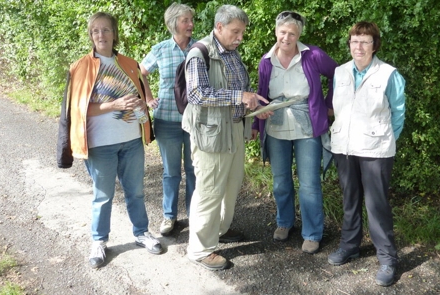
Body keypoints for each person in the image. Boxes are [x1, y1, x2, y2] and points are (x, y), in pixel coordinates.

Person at [57, 12, 162, 269]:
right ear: (91, 36)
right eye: (96, 31)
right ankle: (99, 241)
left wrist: (139, 105)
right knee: (103, 196)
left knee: (135, 192)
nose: (101, 35)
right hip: (100, 144)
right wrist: (113, 104)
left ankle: (141, 233)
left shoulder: (129, 63)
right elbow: (78, 110)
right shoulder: (81, 67)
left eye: (106, 30)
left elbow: (140, 98)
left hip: (130, 141)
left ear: (115, 34)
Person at [181, 4, 268, 271]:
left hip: (234, 130)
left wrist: (254, 108)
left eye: (242, 32)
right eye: (235, 32)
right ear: (219, 27)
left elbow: (240, 90)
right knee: (209, 191)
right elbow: (197, 94)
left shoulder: (232, 52)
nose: (240, 37)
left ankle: (217, 231)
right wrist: (239, 97)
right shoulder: (199, 53)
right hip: (210, 134)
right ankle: (200, 249)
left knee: (230, 186)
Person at [327, 21, 406, 287]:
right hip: (344, 147)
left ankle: (387, 258)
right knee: (350, 200)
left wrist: (382, 139)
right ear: (349, 43)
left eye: (365, 41)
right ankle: (349, 246)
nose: (358, 46)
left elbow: (398, 115)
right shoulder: (339, 73)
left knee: (376, 204)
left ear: (375, 45)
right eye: (354, 40)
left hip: (376, 150)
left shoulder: (388, 74)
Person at [251, 11, 337, 254]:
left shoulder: (314, 55)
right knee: (280, 181)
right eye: (282, 32)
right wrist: (257, 125)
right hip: (276, 123)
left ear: (299, 35)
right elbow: (261, 94)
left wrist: (330, 104)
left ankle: (312, 233)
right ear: (276, 32)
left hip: (307, 124)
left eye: (292, 33)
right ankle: (284, 222)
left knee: (309, 183)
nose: (286, 37)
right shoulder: (266, 61)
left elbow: (337, 74)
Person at [140, 3, 196, 236]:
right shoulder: (161, 49)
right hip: (167, 120)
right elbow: (140, 71)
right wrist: (148, 97)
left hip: (195, 121)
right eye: (185, 20)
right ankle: (169, 217)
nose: (190, 24)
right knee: (171, 172)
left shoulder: (200, 48)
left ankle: (195, 216)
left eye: (191, 20)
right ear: (174, 24)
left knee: (195, 170)